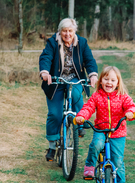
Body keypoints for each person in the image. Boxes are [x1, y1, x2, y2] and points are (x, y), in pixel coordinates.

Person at [75, 66, 135, 183]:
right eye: (106, 79)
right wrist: (81, 116)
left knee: (118, 161)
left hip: (118, 132)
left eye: (112, 80)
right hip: (100, 130)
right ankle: (90, 167)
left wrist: (131, 113)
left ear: (118, 83)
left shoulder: (122, 96)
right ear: (101, 81)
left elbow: (132, 106)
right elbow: (88, 107)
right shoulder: (97, 96)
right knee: (96, 144)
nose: (109, 82)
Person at [39, 18, 98, 162]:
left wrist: (93, 75)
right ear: (60, 31)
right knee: (55, 114)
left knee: (78, 96)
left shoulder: (82, 43)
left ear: (74, 31)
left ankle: (80, 123)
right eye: (64, 31)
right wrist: (45, 72)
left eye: (70, 31)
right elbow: (45, 57)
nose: (67, 34)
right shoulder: (52, 42)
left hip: (74, 78)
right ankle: (52, 146)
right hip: (56, 80)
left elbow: (89, 60)